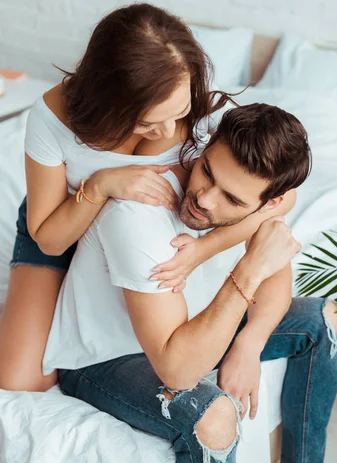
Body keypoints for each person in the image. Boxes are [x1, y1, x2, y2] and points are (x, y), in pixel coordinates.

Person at [44, 103, 337, 463]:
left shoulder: (262, 198)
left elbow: (277, 279)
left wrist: (249, 345)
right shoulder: (139, 213)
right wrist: (246, 270)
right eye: (206, 171)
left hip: (194, 331)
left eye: (231, 198)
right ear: (206, 146)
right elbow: (177, 368)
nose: (204, 198)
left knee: (328, 323)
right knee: (211, 416)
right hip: (105, 358)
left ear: (270, 202)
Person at [0, 2, 273, 391]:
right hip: (63, 221)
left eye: (176, 114)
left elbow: (282, 199)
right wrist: (100, 186)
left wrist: (203, 249)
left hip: (131, 239)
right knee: (20, 384)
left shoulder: (201, 109)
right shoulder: (52, 119)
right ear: (107, 101)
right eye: (146, 122)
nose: (165, 133)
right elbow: (48, 238)